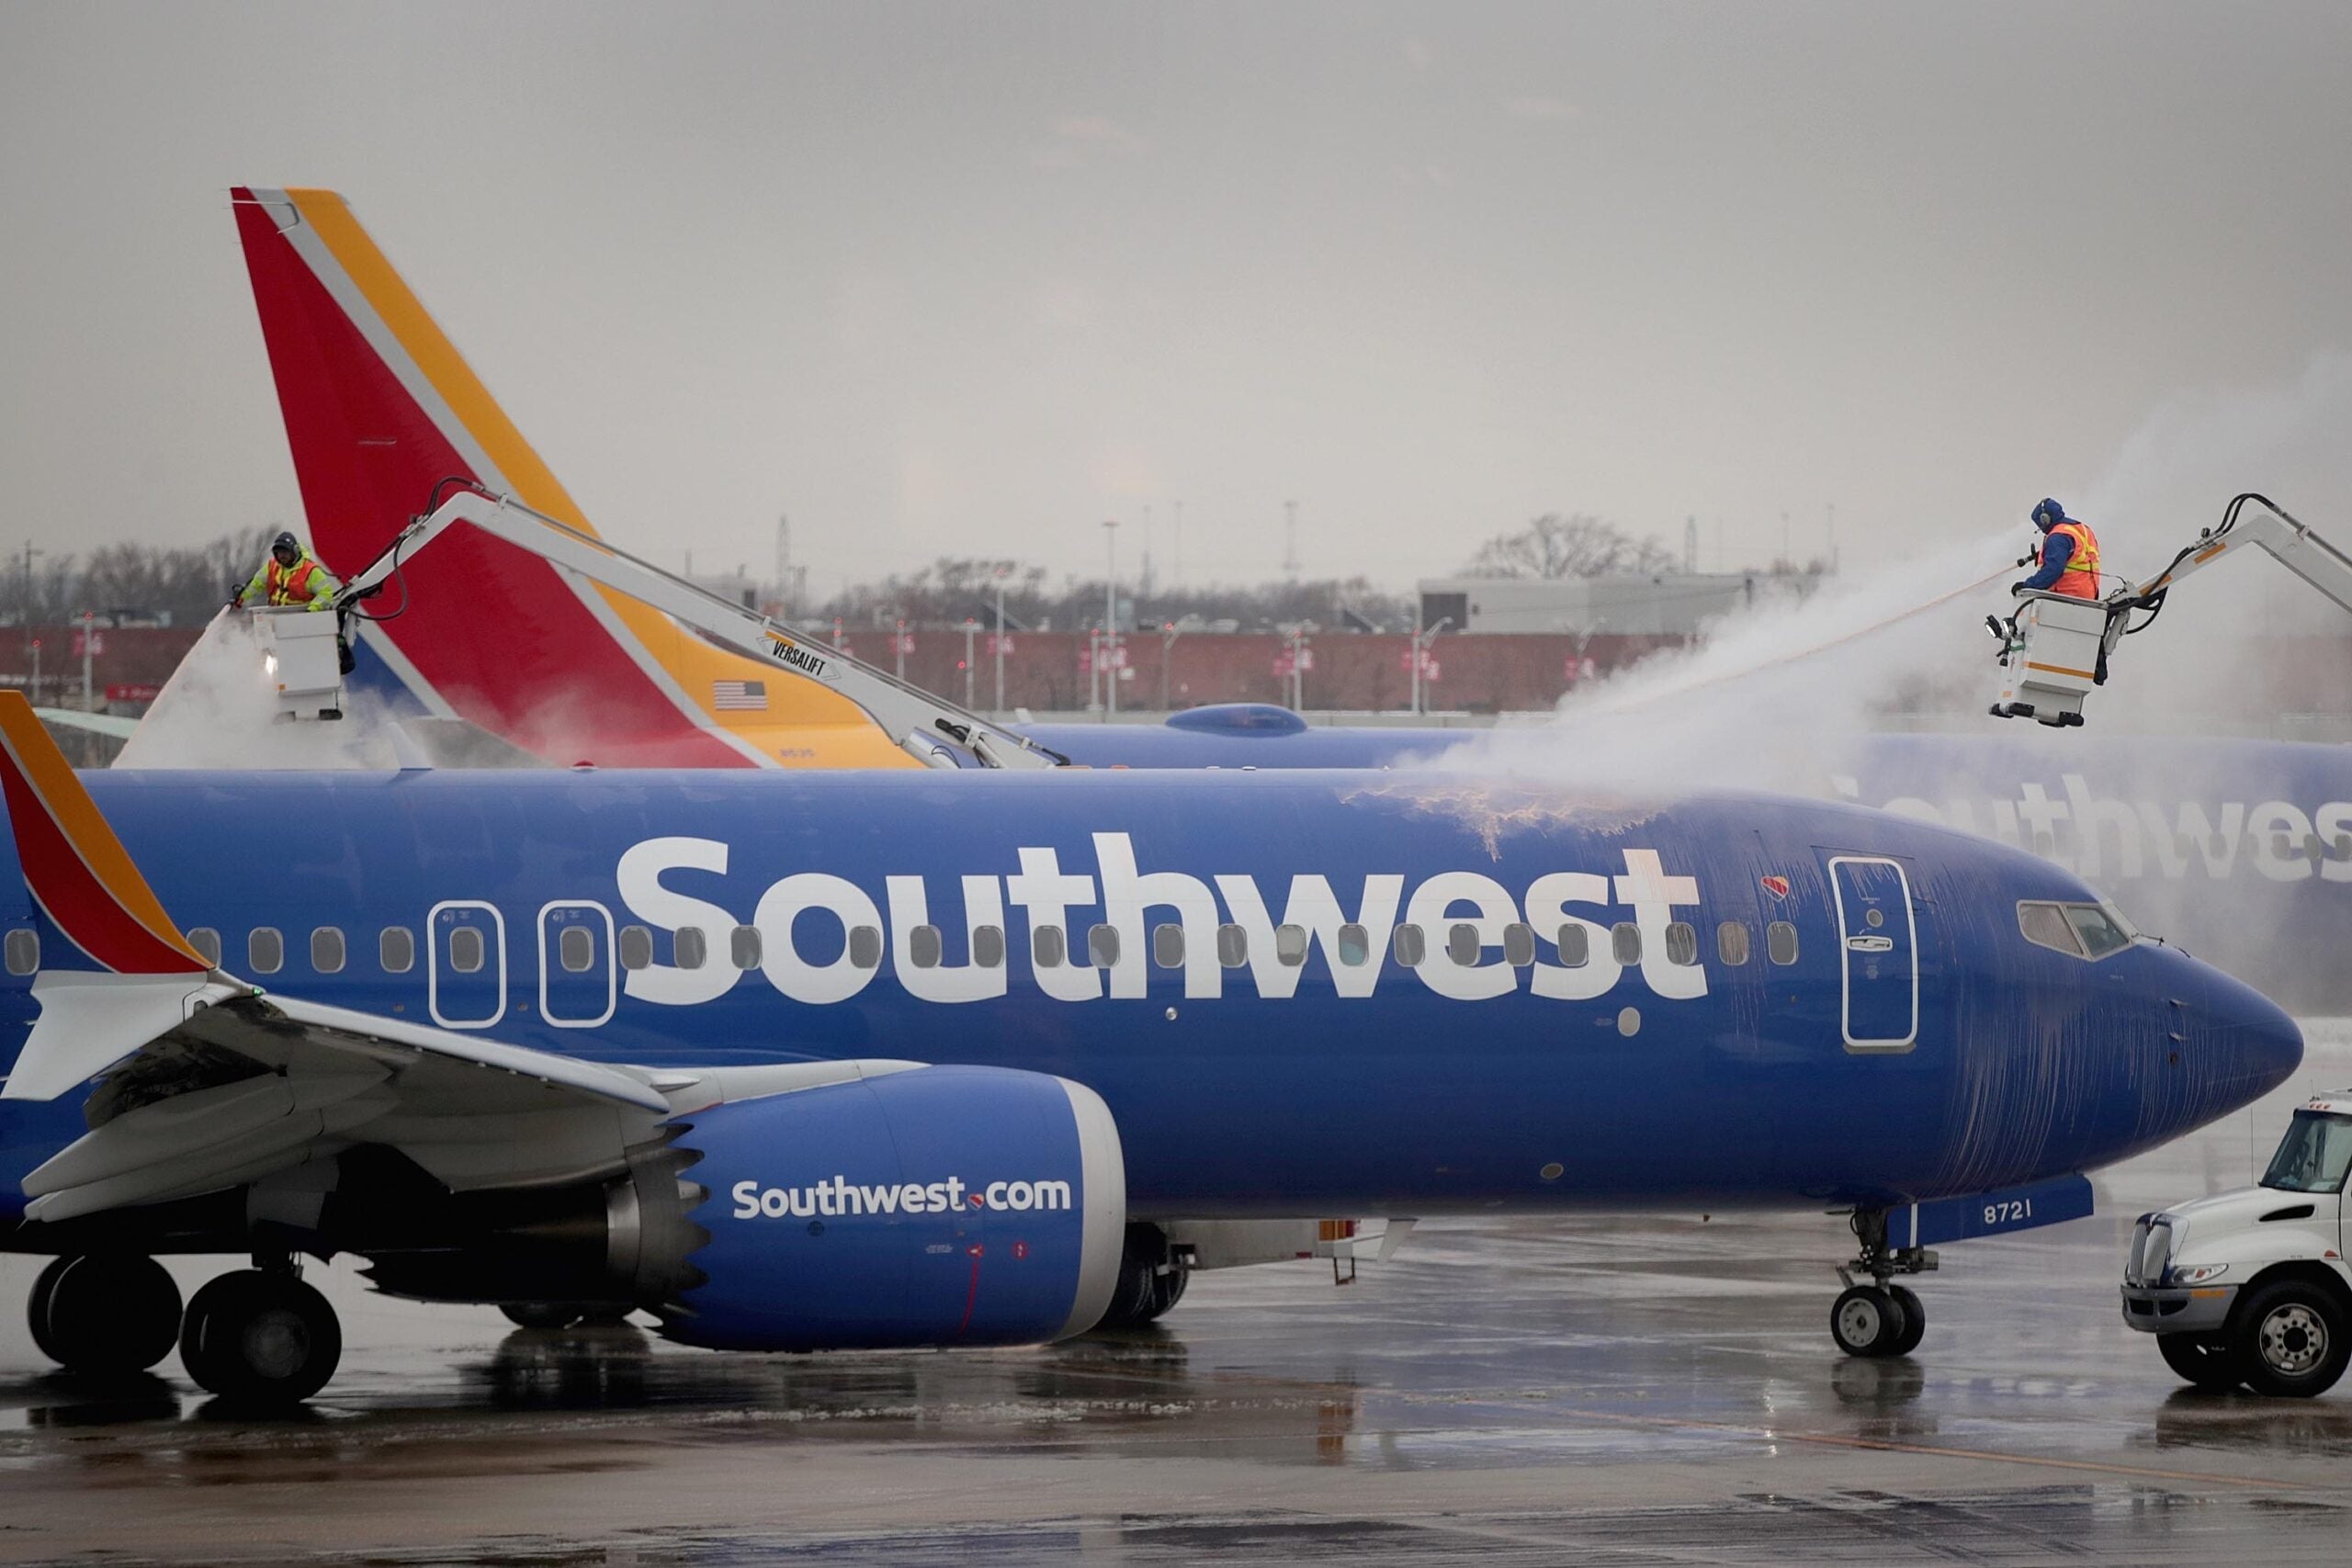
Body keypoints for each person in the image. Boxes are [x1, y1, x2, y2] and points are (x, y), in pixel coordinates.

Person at [2013, 499, 2101, 599]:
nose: (2041, 529)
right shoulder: (2080, 529)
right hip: (2088, 594)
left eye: (2040, 524)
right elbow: (2077, 555)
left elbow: (2053, 570)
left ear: (2045, 519)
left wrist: (2027, 585)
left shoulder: (2057, 537)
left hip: (2068, 594)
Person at [237, 531, 338, 611]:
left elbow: (325, 594)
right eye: (279, 552)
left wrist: (312, 610)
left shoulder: (310, 571)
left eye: (285, 552)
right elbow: (256, 585)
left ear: (295, 551)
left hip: (301, 618)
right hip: (274, 616)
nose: (282, 555)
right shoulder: (271, 567)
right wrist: (241, 597)